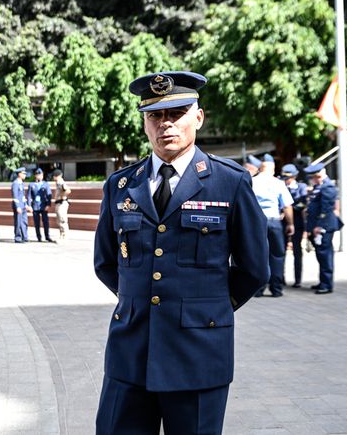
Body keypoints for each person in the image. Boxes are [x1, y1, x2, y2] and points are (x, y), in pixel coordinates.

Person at [93, 71, 269, 435]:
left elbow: (254, 269)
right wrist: (139, 301)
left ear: (198, 118)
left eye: (176, 113)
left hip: (198, 354)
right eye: (155, 115)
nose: (165, 124)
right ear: (145, 123)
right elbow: (106, 262)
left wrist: (208, 307)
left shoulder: (229, 181)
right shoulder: (121, 185)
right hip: (130, 353)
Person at [251, 153, 294, 297]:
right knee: (277, 255)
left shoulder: (251, 181)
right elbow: (287, 206)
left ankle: (258, 289)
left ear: (260, 168)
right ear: (273, 169)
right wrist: (290, 224)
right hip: (274, 222)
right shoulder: (278, 183)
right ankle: (276, 289)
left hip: (257, 223)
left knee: (258, 255)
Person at [304, 162, 339, 294]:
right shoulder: (319, 186)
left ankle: (326, 284)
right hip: (317, 225)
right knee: (321, 255)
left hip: (323, 226)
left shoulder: (327, 187)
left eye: (314, 177)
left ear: (319, 175)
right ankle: (323, 281)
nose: (313, 180)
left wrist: (319, 226)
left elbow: (326, 209)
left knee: (325, 255)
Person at [281, 163, 308, 288]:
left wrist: (289, 209)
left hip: (297, 222)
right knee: (281, 251)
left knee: (297, 251)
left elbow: (303, 204)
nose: (286, 180)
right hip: (282, 222)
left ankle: (298, 279)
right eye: (285, 178)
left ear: (294, 177)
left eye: (288, 178)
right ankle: (281, 278)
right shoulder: (280, 186)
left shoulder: (301, 187)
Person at [27, 167, 54, 242]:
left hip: (43, 206)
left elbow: (49, 194)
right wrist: (29, 205)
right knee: (37, 223)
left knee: (46, 222)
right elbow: (28, 196)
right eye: (38, 175)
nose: (40, 176)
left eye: (41, 175)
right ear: (35, 176)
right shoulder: (31, 185)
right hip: (35, 206)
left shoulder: (45, 184)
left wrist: (48, 204)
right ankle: (39, 237)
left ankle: (47, 236)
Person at [51, 169, 71, 241]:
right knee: (59, 220)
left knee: (62, 220)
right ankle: (62, 235)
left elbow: (68, 190)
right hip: (59, 203)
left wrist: (62, 196)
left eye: (54, 176)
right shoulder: (58, 183)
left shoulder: (60, 182)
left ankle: (64, 236)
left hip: (61, 203)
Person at [11, 167, 29, 243]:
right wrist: (17, 206)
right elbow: (15, 196)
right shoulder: (15, 183)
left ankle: (25, 237)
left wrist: (26, 204)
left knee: (24, 222)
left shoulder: (21, 183)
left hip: (23, 206)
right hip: (18, 206)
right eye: (23, 173)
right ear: (19, 174)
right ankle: (18, 238)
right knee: (18, 222)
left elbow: (23, 196)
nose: (25, 175)